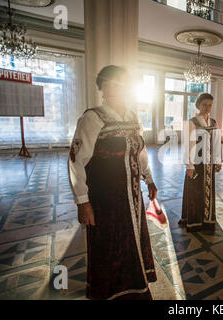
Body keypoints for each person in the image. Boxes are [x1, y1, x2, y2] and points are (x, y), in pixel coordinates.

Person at [68, 65, 158, 300]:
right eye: (111, 84)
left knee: (132, 240)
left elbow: (141, 153)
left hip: (133, 196)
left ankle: (134, 285)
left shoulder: (133, 117)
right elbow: (76, 161)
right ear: (103, 88)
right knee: (109, 246)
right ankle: (109, 291)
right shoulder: (92, 118)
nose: (117, 89)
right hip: (105, 199)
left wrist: (149, 179)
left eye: (122, 84)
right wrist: (82, 202)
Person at [179, 93, 221, 232]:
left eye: (210, 105)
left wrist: (218, 160)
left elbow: (216, 143)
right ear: (198, 105)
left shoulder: (214, 123)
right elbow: (188, 145)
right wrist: (189, 166)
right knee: (195, 191)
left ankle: (207, 219)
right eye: (204, 105)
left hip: (209, 163)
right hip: (196, 163)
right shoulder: (192, 122)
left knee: (207, 191)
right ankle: (193, 220)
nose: (207, 108)